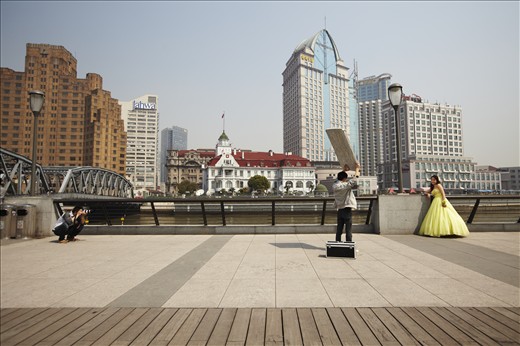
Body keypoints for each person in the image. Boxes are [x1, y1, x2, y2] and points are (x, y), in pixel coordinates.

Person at [333, 162, 360, 242]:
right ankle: (349, 244)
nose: (347, 180)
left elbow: (337, 180)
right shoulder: (346, 185)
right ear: (344, 179)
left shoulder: (335, 185)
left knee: (339, 229)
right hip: (347, 209)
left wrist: (344, 170)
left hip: (339, 209)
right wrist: (357, 169)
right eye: (346, 179)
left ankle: (337, 243)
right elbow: (354, 179)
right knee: (348, 229)